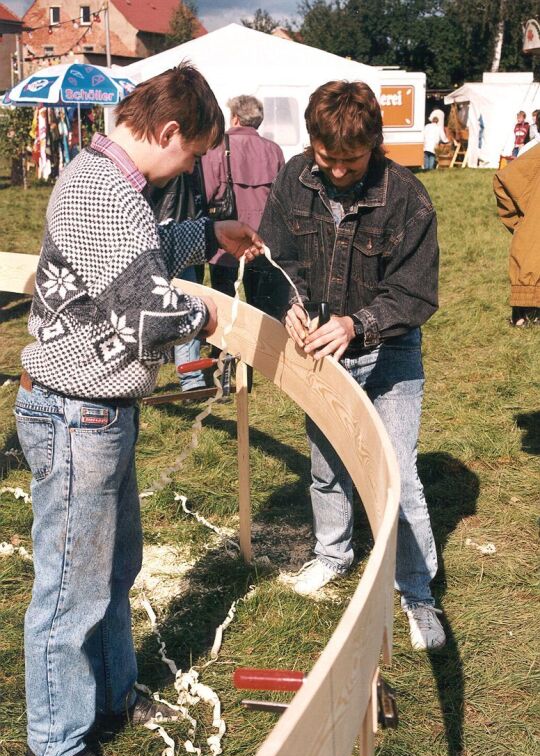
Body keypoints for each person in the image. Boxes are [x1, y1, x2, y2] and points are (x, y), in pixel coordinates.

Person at [14, 63, 263, 756]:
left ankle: (114, 697)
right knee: (71, 588)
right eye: (190, 156)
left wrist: (208, 231)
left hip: (97, 412)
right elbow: (150, 316)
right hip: (75, 415)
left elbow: (138, 255)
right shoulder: (103, 194)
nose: (186, 167)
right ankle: (55, 745)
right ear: (168, 131)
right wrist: (205, 312)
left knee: (112, 570)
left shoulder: (111, 184)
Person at [255, 80, 445, 651]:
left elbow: (415, 293)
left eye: (351, 160)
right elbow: (273, 255)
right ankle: (332, 555)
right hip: (318, 351)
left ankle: (416, 592)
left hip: (389, 351)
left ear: (376, 144)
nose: (337, 172)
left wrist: (354, 325)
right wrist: (286, 304)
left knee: (396, 472)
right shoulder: (294, 176)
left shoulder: (408, 198)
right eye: (326, 159)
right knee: (326, 463)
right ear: (311, 145)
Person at [202, 94, 285, 303]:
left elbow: (206, 193)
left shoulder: (217, 147)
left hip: (226, 242)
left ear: (235, 118)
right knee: (262, 310)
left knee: (223, 308)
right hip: (262, 242)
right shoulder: (273, 150)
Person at [147, 165, 208, 392]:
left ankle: (189, 377)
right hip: (180, 229)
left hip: (162, 232)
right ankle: (191, 377)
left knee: (170, 306)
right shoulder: (181, 160)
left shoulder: (155, 160)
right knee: (186, 306)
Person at [493, 141, 540, 326]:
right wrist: (520, 224)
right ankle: (526, 317)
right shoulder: (535, 155)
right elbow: (504, 179)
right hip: (530, 277)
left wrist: (519, 223)